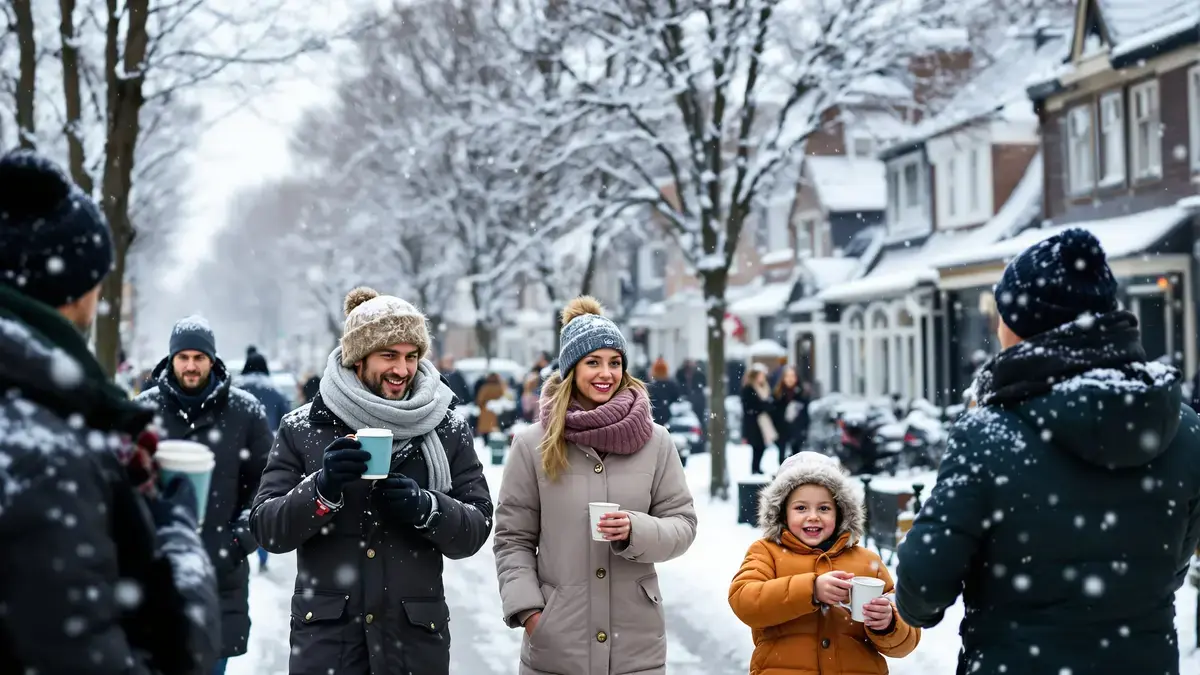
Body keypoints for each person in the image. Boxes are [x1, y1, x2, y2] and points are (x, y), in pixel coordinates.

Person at [896, 228, 1200, 674]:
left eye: (1002, 316)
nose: (997, 329)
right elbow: (1173, 567)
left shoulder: (989, 436)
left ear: (1023, 325)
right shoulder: (1183, 428)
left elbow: (922, 591)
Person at [0, 149, 220, 674]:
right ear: (73, 290)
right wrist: (176, 539)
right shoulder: (43, 455)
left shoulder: (48, 421)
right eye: (98, 278)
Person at [250, 287, 492, 675]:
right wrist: (323, 489)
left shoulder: (446, 426)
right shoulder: (304, 427)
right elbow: (267, 529)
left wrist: (427, 508)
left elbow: (477, 526)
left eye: (411, 356)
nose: (402, 369)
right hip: (329, 648)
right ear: (357, 359)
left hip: (413, 648)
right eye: (388, 355)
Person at [494, 296, 697, 675]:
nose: (606, 373)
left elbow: (683, 525)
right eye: (593, 362)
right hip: (557, 646)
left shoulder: (657, 441)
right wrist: (531, 613)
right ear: (571, 369)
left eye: (614, 362)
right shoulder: (532, 444)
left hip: (636, 648)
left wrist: (636, 529)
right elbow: (512, 539)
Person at [136, 317, 274, 673]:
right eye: (184, 357)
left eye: (200, 357)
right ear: (171, 360)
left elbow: (267, 484)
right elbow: (126, 483)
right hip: (157, 570)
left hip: (220, 574)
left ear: (212, 360)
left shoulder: (245, 412)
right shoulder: (143, 410)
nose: (192, 365)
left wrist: (238, 539)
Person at [729, 451, 920, 673]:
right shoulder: (766, 552)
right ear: (782, 513)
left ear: (841, 513)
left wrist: (888, 623)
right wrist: (811, 590)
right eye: (801, 508)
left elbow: (906, 636)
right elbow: (745, 601)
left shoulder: (868, 562)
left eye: (824, 508)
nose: (813, 516)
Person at [239, 346, 291, 431]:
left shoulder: (236, 390)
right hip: (268, 439)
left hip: (238, 439)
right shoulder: (276, 393)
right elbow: (287, 421)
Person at [741, 364, 776, 474]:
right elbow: (749, 406)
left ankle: (756, 467)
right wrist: (764, 406)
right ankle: (755, 468)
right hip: (754, 423)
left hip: (763, 421)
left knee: (761, 446)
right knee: (757, 446)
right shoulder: (748, 389)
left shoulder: (765, 388)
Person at [772, 365, 810, 460]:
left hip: (797, 430)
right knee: (782, 456)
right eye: (787, 376)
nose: (790, 379)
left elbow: (805, 415)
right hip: (781, 430)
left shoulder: (802, 394)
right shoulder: (777, 394)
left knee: (797, 456)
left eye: (792, 376)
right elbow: (774, 414)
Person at [647, 356, 683, 426]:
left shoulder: (652, 386)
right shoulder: (671, 385)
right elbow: (677, 398)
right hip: (668, 414)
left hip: (655, 414)